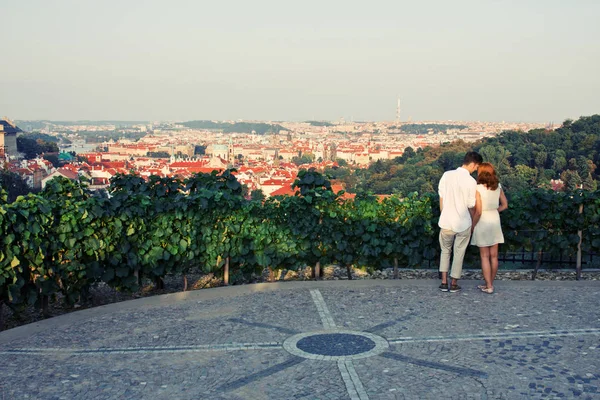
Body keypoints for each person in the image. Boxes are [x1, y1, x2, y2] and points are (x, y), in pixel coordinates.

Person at [437, 151, 483, 293]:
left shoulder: (447, 175)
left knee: (445, 251)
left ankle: (444, 282)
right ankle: (454, 283)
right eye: (476, 167)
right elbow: (471, 205)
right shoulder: (471, 181)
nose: (475, 170)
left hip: (446, 221)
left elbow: (441, 198)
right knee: (459, 253)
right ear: (473, 164)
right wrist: (473, 223)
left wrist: (443, 213)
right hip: (463, 222)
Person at [470, 163, 508, 294]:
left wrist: (473, 226)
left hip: (483, 221)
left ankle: (488, 285)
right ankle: (490, 283)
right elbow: (505, 205)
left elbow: (479, 211)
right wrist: (494, 210)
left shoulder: (478, 188)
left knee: (484, 256)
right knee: (494, 256)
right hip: (494, 219)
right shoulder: (498, 186)